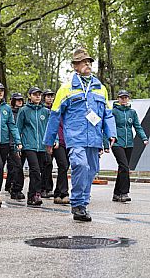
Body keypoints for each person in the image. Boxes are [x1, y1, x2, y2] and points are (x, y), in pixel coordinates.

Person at [44, 48, 117, 222]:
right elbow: (55, 116)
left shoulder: (101, 88)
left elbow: (108, 114)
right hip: (75, 137)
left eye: (89, 62)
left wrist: (111, 133)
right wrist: (50, 140)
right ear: (75, 66)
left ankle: (82, 205)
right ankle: (77, 203)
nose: (88, 65)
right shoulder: (66, 88)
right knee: (80, 165)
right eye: (84, 62)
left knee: (91, 170)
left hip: (94, 138)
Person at [108, 90, 148, 202]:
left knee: (123, 168)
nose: (124, 99)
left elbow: (137, 126)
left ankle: (116, 194)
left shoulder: (132, 112)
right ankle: (124, 193)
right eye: (122, 97)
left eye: (126, 97)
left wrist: (144, 138)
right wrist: (108, 141)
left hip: (129, 143)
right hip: (117, 143)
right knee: (125, 167)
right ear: (118, 99)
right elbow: (108, 126)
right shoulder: (113, 112)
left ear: (128, 99)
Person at [17, 87, 50, 206]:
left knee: (38, 171)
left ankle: (32, 196)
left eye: (39, 94)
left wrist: (53, 140)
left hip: (41, 146)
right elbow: (18, 128)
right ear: (30, 96)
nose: (37, 96)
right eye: (35, 94)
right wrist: (18, 143)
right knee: (35, 169)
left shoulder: (45, 111)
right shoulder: (24, 110)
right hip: (28, 145)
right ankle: (36, 194)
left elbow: (49, 128)